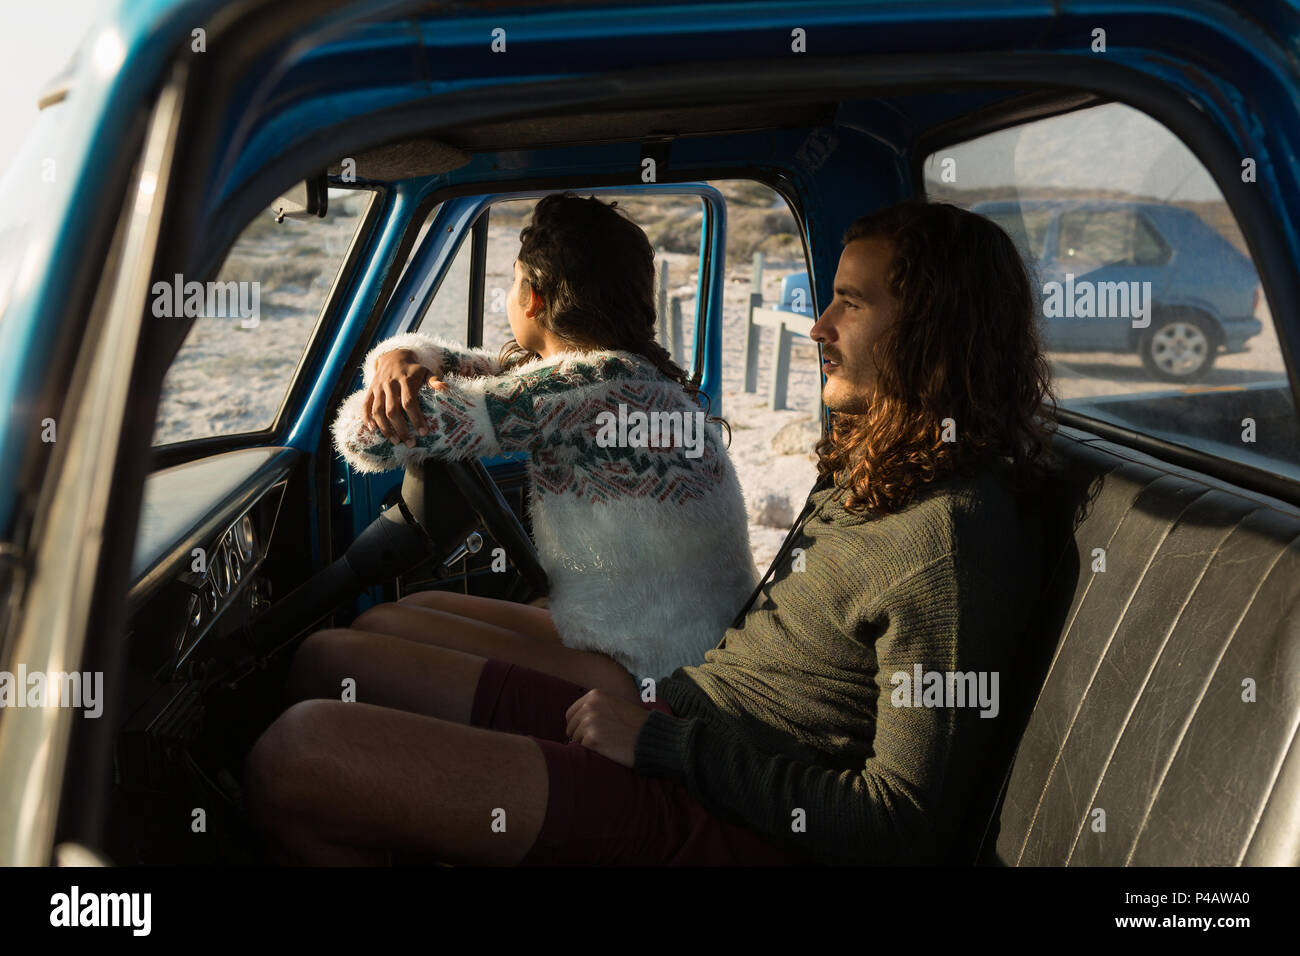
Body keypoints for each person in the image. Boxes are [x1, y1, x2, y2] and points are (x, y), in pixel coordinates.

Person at [244, 198, 1062, 866]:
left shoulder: (946, 543)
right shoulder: (876, 470)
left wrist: (665, 749)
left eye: (850, 303)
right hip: (683, 712)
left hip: (717, 800)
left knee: (299, 754)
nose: (817, 327)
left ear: (934, 328)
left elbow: (900, 827)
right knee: (329, 661)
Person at [324, 191, 758, 699]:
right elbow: (479, 368)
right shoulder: (633, 377)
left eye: (513, 281)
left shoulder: (568, 391)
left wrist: (387, 369)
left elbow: (364, 439)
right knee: (398, 617)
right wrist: (399, 356)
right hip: (700, 649)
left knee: (338, 653)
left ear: (534, 298)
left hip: (655, 677)